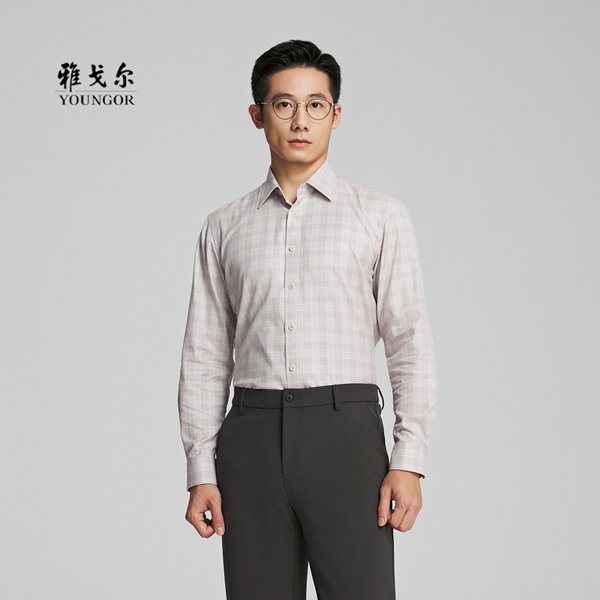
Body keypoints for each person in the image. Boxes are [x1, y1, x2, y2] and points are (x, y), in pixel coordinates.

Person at [177, 39, 437, 600]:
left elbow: (408, 342)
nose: (300, 121)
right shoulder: (224, 226)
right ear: (258, 115)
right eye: (284, 105)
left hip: (346, 439)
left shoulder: (379, 216)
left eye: (315, 105)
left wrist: (408, 460)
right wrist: (201, 469)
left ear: (335, 115)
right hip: (250, 440)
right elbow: (205, 354)